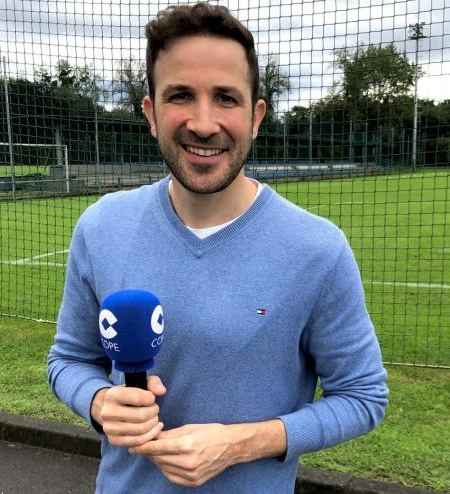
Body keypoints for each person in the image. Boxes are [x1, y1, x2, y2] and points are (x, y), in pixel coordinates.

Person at [46, 3, 388, 493]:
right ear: (151, 113)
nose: (204, 123)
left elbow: (362, 397)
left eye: (226, 98)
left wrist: (241, 443)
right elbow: (69, 360)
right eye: (181, 95)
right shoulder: (101, 226)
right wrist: (99, 401)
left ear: (255, 116)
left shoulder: (317, 248)